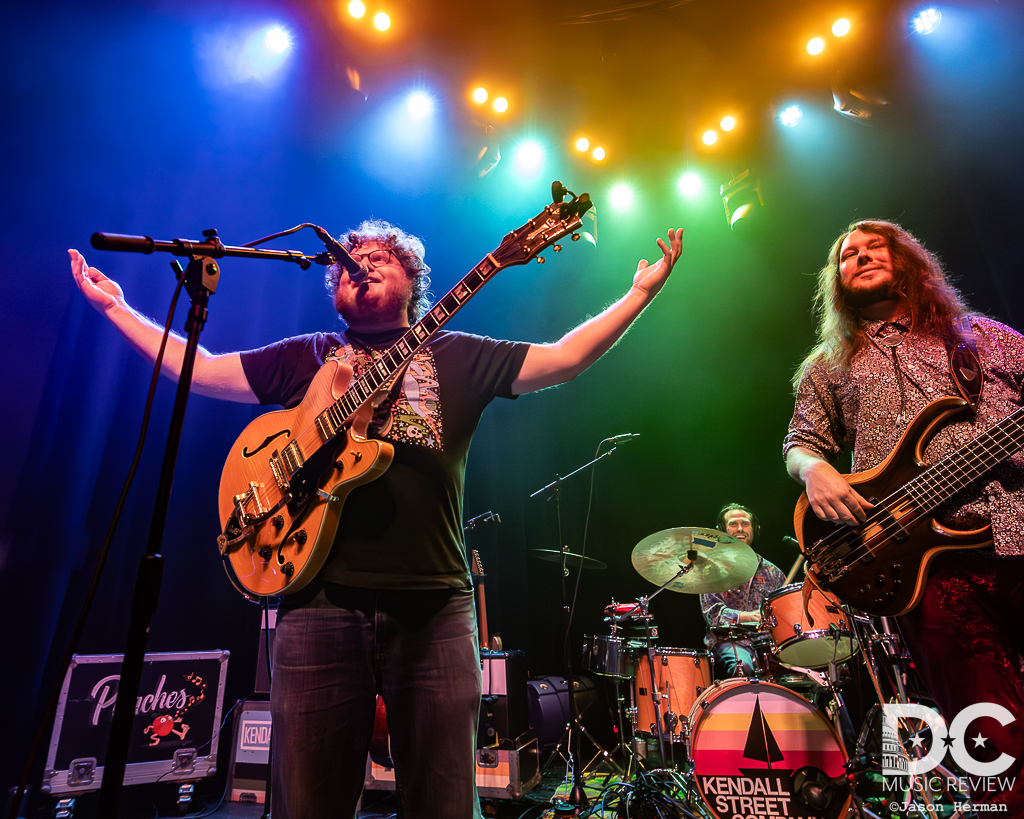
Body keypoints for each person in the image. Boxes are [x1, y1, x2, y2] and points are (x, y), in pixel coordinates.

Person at [69, 221, 683, 819]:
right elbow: (201, 368)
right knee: (308, 802)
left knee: (443, 802)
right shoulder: (307, 356)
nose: (358, 264)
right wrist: (118, 310)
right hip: (316, 603)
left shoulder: (460, 353)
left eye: (379, 257)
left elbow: (563, 359)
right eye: (347, 260)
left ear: (412, 279)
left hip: (435, 608)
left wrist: (637, 295)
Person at [784, 219, 1024, 811]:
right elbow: (801, 441)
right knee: (986, 726)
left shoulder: (983, 336)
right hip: (924, 565)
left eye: (873, 248)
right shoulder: (829, 364)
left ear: (908, 262)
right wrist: (814, 469)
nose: (859, 257)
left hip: (1017, 522)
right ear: (836, 282)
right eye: (847, 256)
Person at [699, 503, 785, 678]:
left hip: (767, 644)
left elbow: (785, 612)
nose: (740, 528)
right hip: (728, 641)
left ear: (754, 529)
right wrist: (748, 616)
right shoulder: (712, 570)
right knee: (744, 666)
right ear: (722, 530)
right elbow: (714, 615)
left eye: (745, 524)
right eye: (733, 524)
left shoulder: (773, 572)